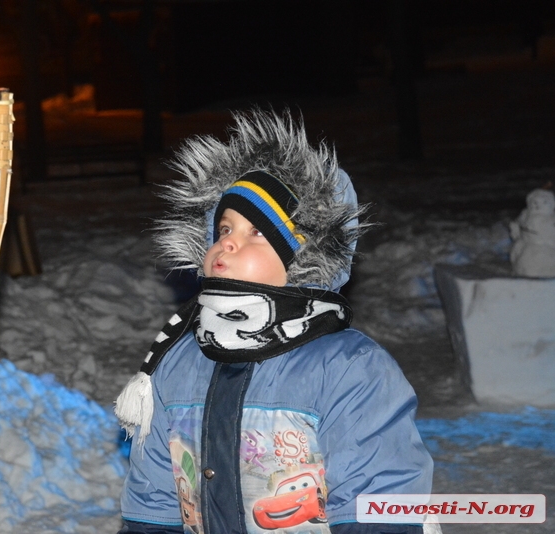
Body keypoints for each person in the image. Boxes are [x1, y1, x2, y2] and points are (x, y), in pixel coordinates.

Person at [114, 109, 437, 534]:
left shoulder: (348, 367)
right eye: (224, 227)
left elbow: (377, 492)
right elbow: (153, 496)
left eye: (257, 232)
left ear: (300, 259)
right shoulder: (177, 361)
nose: (228, 240)